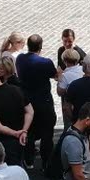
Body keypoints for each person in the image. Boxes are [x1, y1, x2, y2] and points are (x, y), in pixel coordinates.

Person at [16, 34, 59, 169]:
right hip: (43, 101)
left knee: (29, 130)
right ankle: (46, 162)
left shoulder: (20, 59)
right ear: (40, 46)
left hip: (27, 101)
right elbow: (55, 75)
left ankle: (28, 160)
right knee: (47, 133)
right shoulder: (45, 62)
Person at [0, 68, 32, 167]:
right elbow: (30, 111)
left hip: (6, 142)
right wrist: (24, 131)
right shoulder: (17, 90)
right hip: (23, 137)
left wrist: (15, 133)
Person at [57, 49, 84, 124]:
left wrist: (59, 77)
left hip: (72, 107)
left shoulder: (65, 76)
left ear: (65, 61)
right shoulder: (83, 69)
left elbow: (60, 92)